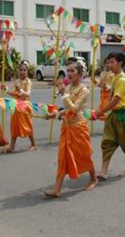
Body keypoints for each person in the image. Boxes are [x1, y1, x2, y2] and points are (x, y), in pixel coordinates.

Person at [44, 61, 98, 198]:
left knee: (84, 155)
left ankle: (94, 178)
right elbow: (67, 110)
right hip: (67, 126)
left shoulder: (84, 90)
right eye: (68, 70)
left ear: (80, 74)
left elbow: (74, 109)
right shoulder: (68, 88)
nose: (69, 73)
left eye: (72, 71)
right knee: (63, 157)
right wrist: (55, 114)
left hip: (79, 126)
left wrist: (64, 95)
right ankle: (57, 189)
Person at [95, 52, 125, 179]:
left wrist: (101, 111)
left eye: (112, 62)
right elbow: (109, 92)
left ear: (120, 63)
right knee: (107, 141)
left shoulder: (122, 80)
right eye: (108, 62)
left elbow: (116, 100)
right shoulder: (114, 77)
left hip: (122, 116)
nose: (109, 65)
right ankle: (103, 170)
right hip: (113, 115)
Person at [1, 61, 37, 152]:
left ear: (27, 71)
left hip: (25, 106)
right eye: (20, 70)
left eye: (24, 70)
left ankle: (33, 143)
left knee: (27, 125)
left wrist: (21, 90)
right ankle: (12, 146)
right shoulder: (17, 81)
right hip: (16, 106)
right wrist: (6, 90)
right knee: (14, 125)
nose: (22, 72)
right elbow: (14, 94)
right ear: (18, 71)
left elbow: (28, 94)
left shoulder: (28, 81)